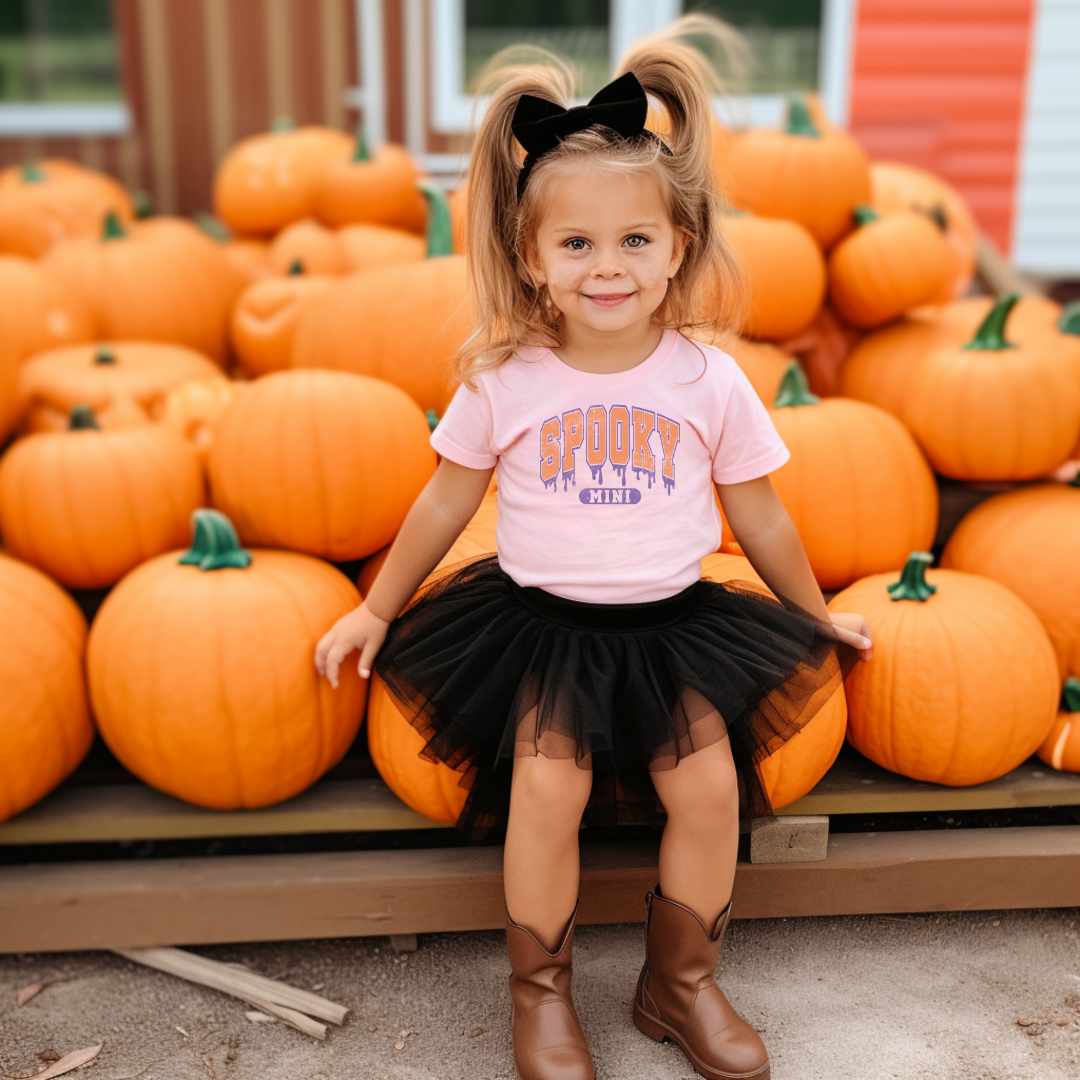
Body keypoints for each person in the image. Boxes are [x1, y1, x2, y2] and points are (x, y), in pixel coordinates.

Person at [315, 24, 872, 1080]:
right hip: (543, 630)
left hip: (678, 628)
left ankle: (682, 984)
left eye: (634, 242)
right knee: (545, 795)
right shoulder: (505, 379)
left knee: (710, 794)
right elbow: (442, 504)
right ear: (531, 257)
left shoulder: (708, 381)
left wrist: (811, 613)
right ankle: (540, 995)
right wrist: (377, 609)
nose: (607, 267)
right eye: (576, 245)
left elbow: (761, 517)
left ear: (679, 245)